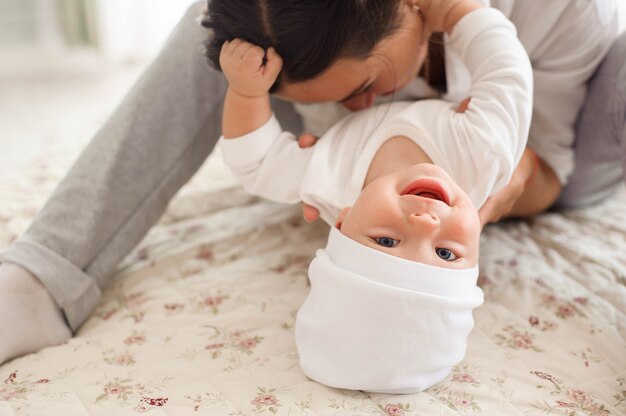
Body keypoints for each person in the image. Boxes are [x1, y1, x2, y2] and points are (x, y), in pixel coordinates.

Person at [0, 0, 621, 365]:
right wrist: (251, 95)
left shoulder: (558, 13)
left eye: (361, 88)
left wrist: (489, 191)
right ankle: (45, 273)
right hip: (449, 124)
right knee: (225, 33)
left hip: (553, 154)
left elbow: (546, 172)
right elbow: (257, 162)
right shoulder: (331, 167)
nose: (354, 112)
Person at [216, 0, 529, 392]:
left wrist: (246, 92)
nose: (425, 223)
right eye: (446, 254)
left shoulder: (327, 181)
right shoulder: (485, 155)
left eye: (386, 241)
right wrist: (454, 14)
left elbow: (253, 162)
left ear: (343, 221)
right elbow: (507, 71)